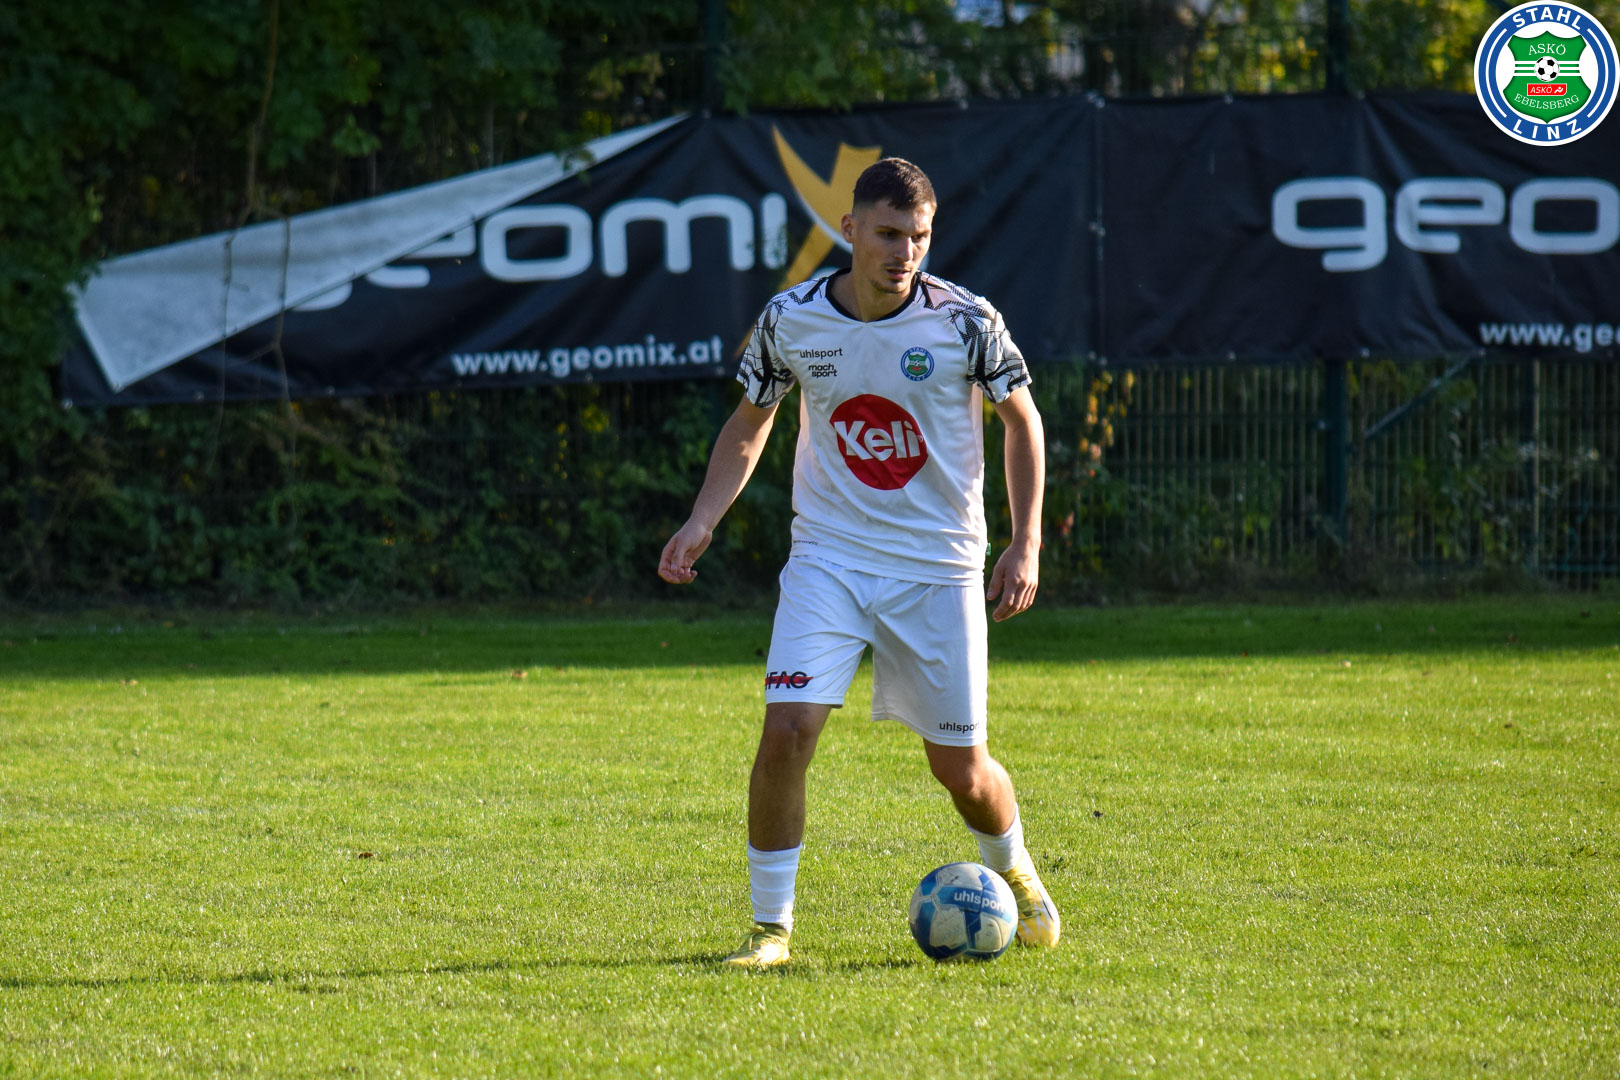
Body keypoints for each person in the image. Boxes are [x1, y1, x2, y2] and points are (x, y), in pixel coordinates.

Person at [657, 157, 1058, 967]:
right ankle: (770, 930)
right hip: (829, 559)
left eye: (919, 237)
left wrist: (1026, 541)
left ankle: (1015, 870)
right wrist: (703, 519)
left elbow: (1022, 421)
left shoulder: (965, 321)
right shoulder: (791, 319)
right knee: (786, 731)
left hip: (938, 568)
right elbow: (751, 422)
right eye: (887, 234)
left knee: (961, 771)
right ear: (849, 230)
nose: (904, 252)